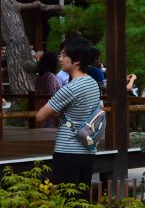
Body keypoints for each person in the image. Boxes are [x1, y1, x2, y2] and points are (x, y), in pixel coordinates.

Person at [35, 36, 101, 193]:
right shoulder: (92, 83)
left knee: (68, 199)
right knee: (83, 197)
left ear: (77, 60)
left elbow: (40, 116)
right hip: (88, 148)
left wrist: (58, 107)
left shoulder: (70, 88)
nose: (60, 59)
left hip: (68, 149)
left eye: (64, 55)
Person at [34, 51, 61, 128]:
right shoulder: (50, 76)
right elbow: (52, 94)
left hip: (40, 106)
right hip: (49, 108)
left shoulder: (39, 77)